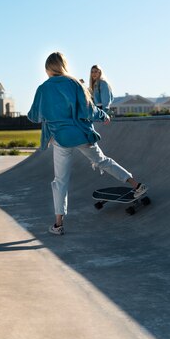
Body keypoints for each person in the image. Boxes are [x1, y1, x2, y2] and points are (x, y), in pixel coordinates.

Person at [27, 52, 147, 235]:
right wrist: (103, 115)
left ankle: (58, 225)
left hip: (60, 139)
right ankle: (137, 185)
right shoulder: (75, 83)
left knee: (60, 181)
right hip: (81, 134)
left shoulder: (43, 88)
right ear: (63, 66)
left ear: (47, 69)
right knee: (103, 161)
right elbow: (89, 110)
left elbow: (34, 116)